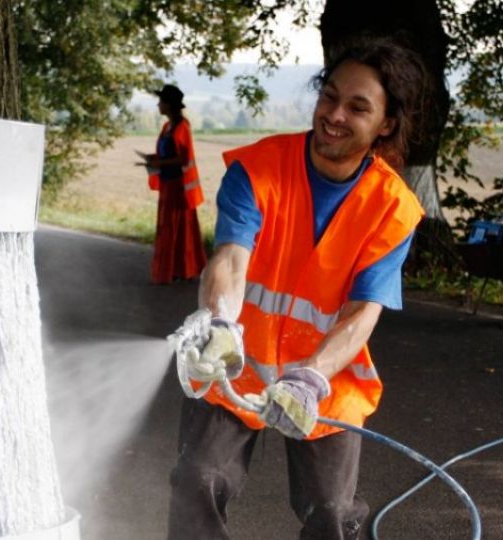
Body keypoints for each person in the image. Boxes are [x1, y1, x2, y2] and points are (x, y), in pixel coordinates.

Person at [166, 37, 429, 540]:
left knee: (330, 512)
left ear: (386, 124)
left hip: (325, 381)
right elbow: (229, 259)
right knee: (197, 481)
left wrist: (309, 379)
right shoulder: (258, 168)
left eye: (357, 107)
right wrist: (219, 323)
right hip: (235, 362)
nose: (334, 114)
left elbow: (361, 314)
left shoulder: (393, 208)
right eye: (329, 96)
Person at [137, 84, 207, 284]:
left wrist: (158, 163)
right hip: (168, 184)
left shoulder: (182, 127)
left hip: (178, 187)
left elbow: (182, 159)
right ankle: (176, 270)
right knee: (170, 227)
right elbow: (167, 154)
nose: (158, 104)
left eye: (161, 101)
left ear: (168, 105)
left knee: (176, 228)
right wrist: (152, 159)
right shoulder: (167, 127)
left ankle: (179, 269)